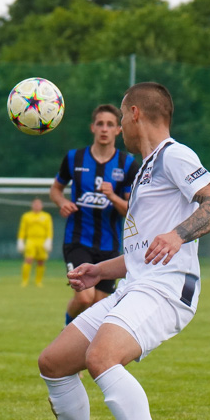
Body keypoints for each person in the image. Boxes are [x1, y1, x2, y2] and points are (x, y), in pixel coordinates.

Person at [38, 82, 210, 420]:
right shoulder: (144, 168)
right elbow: (144, 251)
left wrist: (179, 235)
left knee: (102, 357)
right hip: (136, 284)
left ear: (136, 114)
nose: (119, 126)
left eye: (121, 117)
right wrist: (97, 271)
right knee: (53, 363)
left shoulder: (175, 155)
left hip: (167, 289)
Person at [50, 104, 138, 325]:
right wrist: (62, 202)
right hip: (77, 240)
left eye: (110, 124)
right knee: (84, 297)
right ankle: (66, 333)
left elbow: (131, 210)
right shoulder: (74, 159)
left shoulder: (127, 164)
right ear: (92, 128)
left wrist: (113, 197)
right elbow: (56, 189)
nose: (104, 129)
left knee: (100, 304)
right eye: (100, 124)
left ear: (118, 130)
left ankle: (81, 347)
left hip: (110, 245)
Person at [17, 198, 53, 287]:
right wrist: (20, 240)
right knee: (28, 259)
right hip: (30, 240)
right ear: (32, 205)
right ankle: (24, 281)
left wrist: (49, 240)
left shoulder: (46, 216)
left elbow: (49, 229)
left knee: (41, 261)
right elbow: (22, 229)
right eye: (35, 204)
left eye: (38, 204)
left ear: (42, 206)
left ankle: (38, 281)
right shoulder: (26, 216)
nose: (37, 206)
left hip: (42, 240)